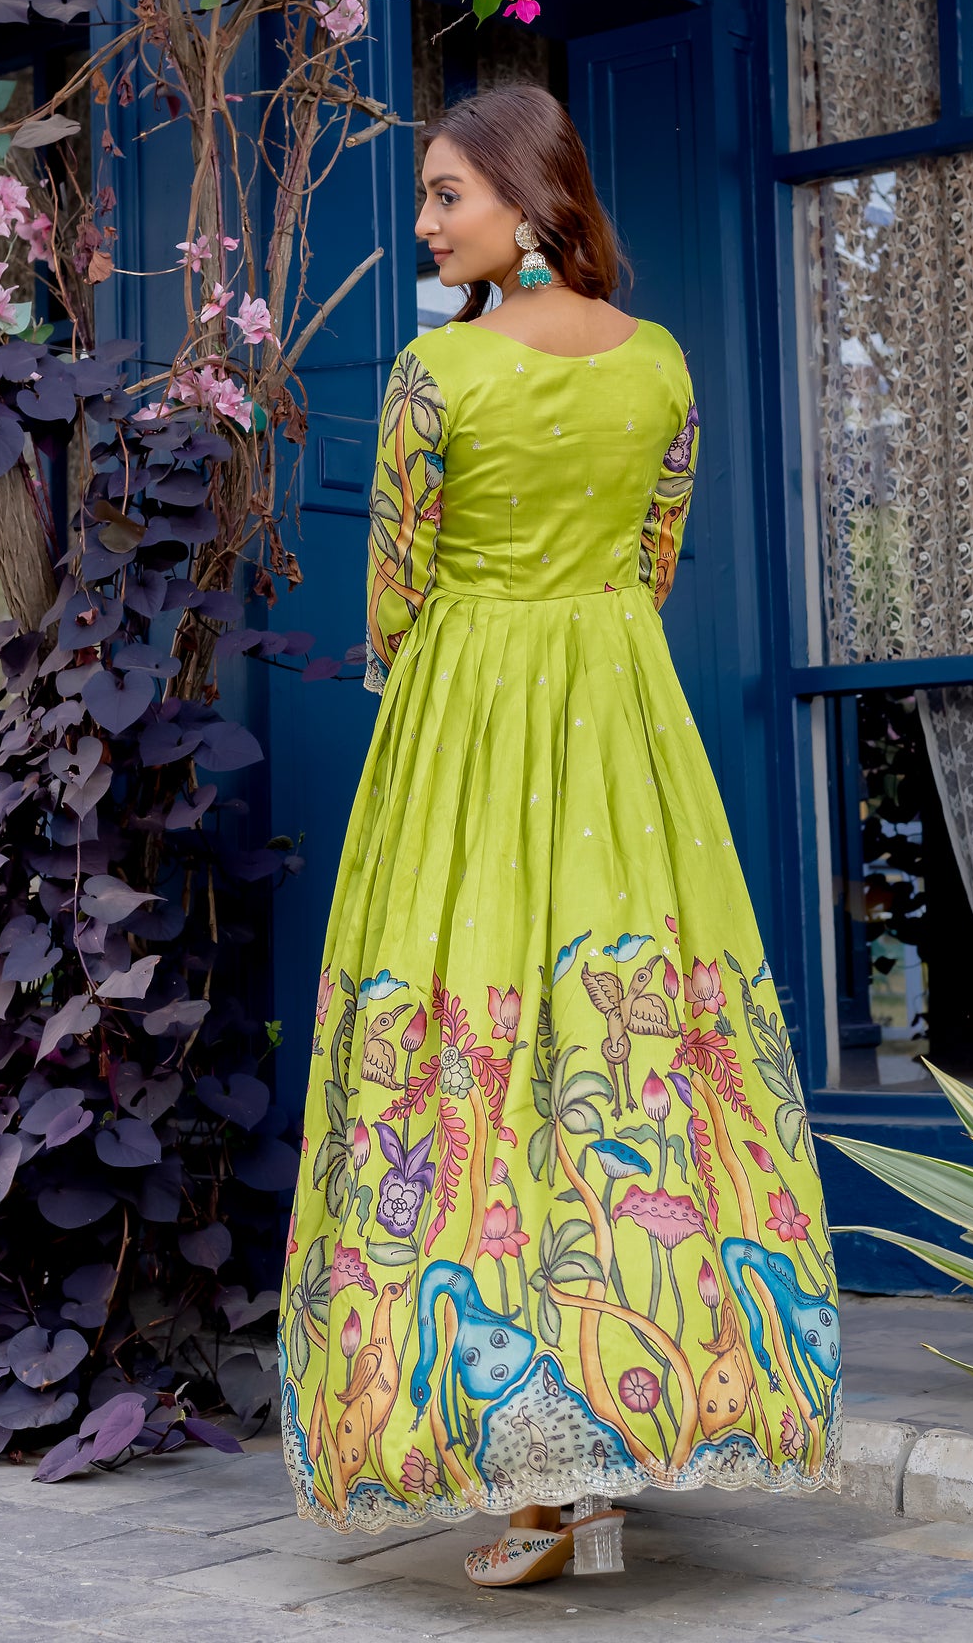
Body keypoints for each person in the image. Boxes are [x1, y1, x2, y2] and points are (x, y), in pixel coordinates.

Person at [279, 86, 839, 1584]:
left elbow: (393, 592)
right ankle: (629, 1413)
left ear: (527, 204)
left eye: (447, 195)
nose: (425, 223)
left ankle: (527, 1463)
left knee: (476, 1043)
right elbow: (655, 558)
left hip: (466, 717)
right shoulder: (658, 363)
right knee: (626, 1053)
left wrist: (453, 681)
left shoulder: (433, 369)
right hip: (620, 723)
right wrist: (580, 647)